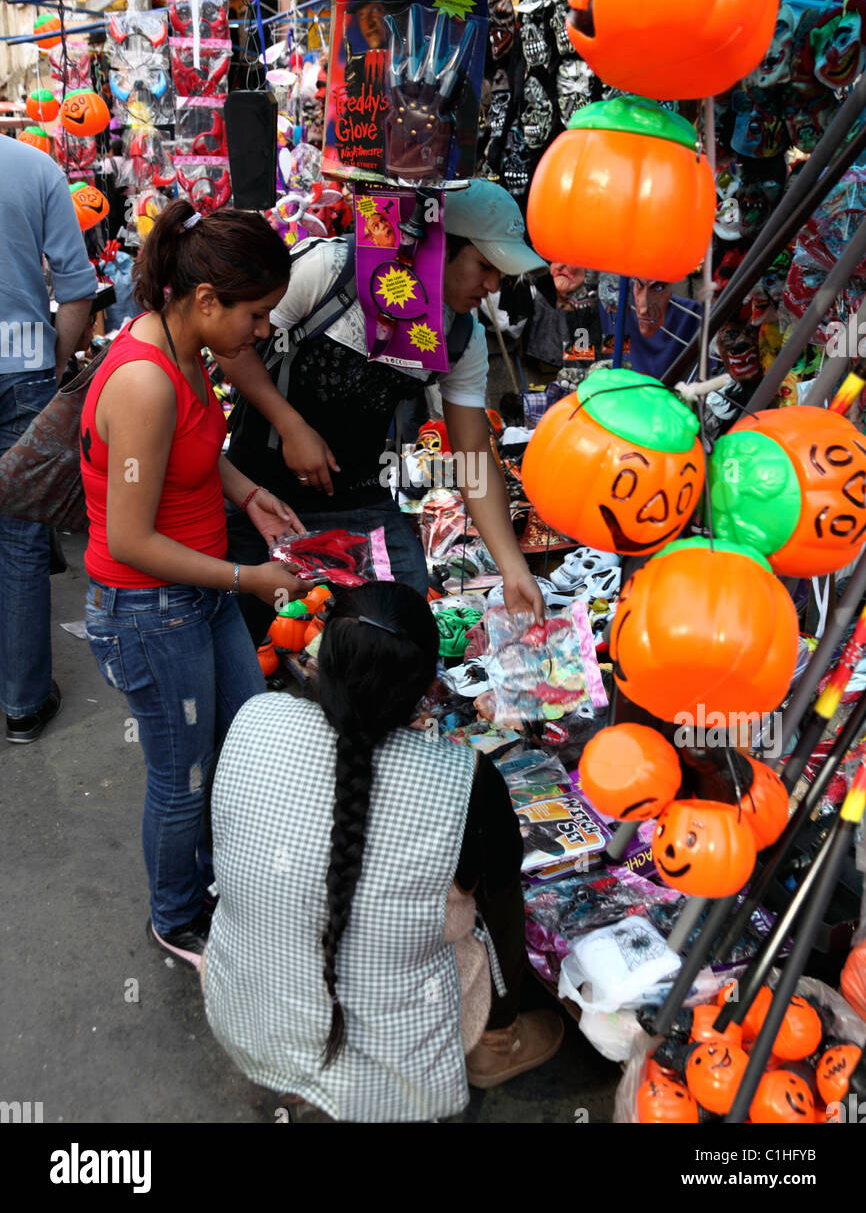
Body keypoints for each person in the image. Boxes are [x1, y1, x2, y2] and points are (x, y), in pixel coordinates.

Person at [203, 581, 564, 1123]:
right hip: (396, 1074)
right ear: (426, 688)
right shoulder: (463, 779)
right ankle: (498, 1040)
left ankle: (299, 1079)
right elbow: (501, 881)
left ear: (322, 654)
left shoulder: (254, 717)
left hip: (246, 1017)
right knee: (493, 899)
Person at [80, 200, 313, 969]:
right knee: (182, 777)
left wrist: (247, 493)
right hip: (151, 613)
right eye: (256, 315)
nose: (261, 333)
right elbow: (130, 539)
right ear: (207, 301)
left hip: (198, 599)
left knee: (242, 748)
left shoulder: (182, 351)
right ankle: (175, 917)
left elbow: (193, 452)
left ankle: (219, 882)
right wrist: (250, 578)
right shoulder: (145, 380)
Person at [220, 180, 549, 647]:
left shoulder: (463, 338)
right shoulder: (331, 270)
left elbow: (473, 455)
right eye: (484, 265)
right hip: (258, 496)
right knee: (251, 639)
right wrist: (289, 425)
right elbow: (230, 345)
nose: (493, 285)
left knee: (399, 635)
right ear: (439, 245)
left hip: (359, 500)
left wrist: (513, 568)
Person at [0, 135, 97, 743]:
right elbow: (76, 286)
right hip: (23, 366)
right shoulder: (35, 167)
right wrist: (55, 361)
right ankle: (24, 704)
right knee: (21, 544)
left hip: (28, 369)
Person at [598, 276, 701, 379]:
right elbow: (590, 351)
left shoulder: (692, 315)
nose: (644, 309)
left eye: (658, 288)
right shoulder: (607, 305)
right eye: (639, 286)